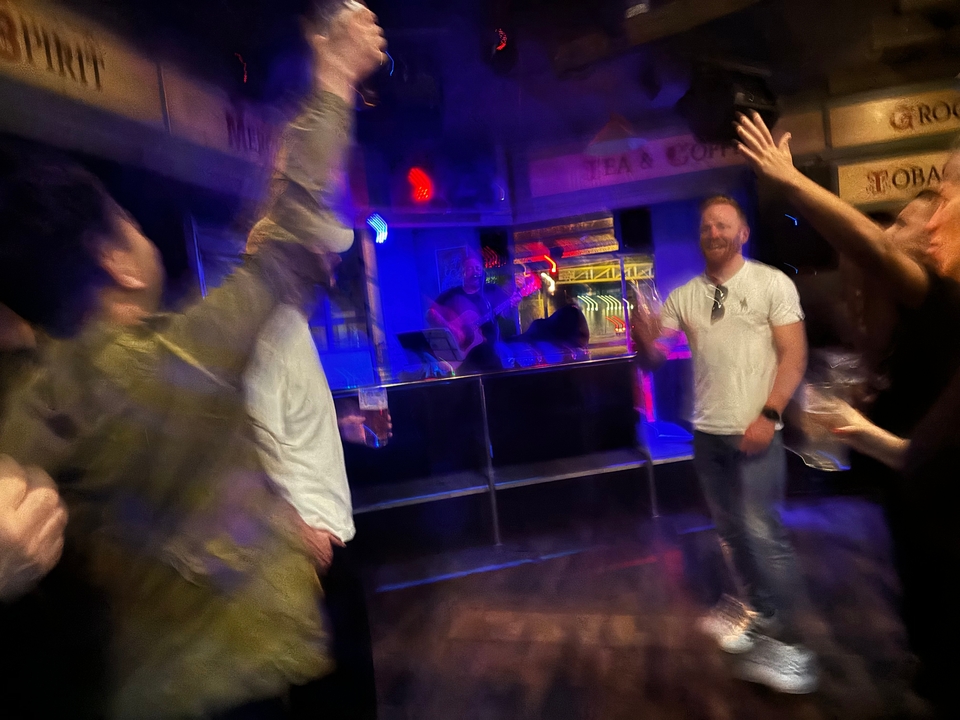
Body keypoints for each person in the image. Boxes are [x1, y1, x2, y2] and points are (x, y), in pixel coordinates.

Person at [0, 5, 386, 719]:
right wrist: (333, 76)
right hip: (232, 673)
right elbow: (293, 234)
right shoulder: (172, 356)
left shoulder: (27, 392)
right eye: (131, 223)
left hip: (139, 683)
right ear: (114, 259)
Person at [632, 195, 814, 694]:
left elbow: (794, 356)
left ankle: (797, 650)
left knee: (764, 534)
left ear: (743, 233)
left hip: (756, 430)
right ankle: (762, 615)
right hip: (707, 433)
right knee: (732, 534)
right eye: (706, 226)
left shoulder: (771, 283)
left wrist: (770, 413)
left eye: (723, 225)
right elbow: (653, 360)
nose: (713, 232)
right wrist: (643, 337)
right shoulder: (685, 295)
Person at [426, 251, 518, 373]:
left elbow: (505, 315)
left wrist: (511, 304)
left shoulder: (491, 290)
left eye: (477, 268)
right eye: (470, 269)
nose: (475, 271)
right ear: (461, 274)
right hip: (464, 359)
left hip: (490, 355)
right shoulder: (452, 294)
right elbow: (430, 313)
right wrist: (453, 328)